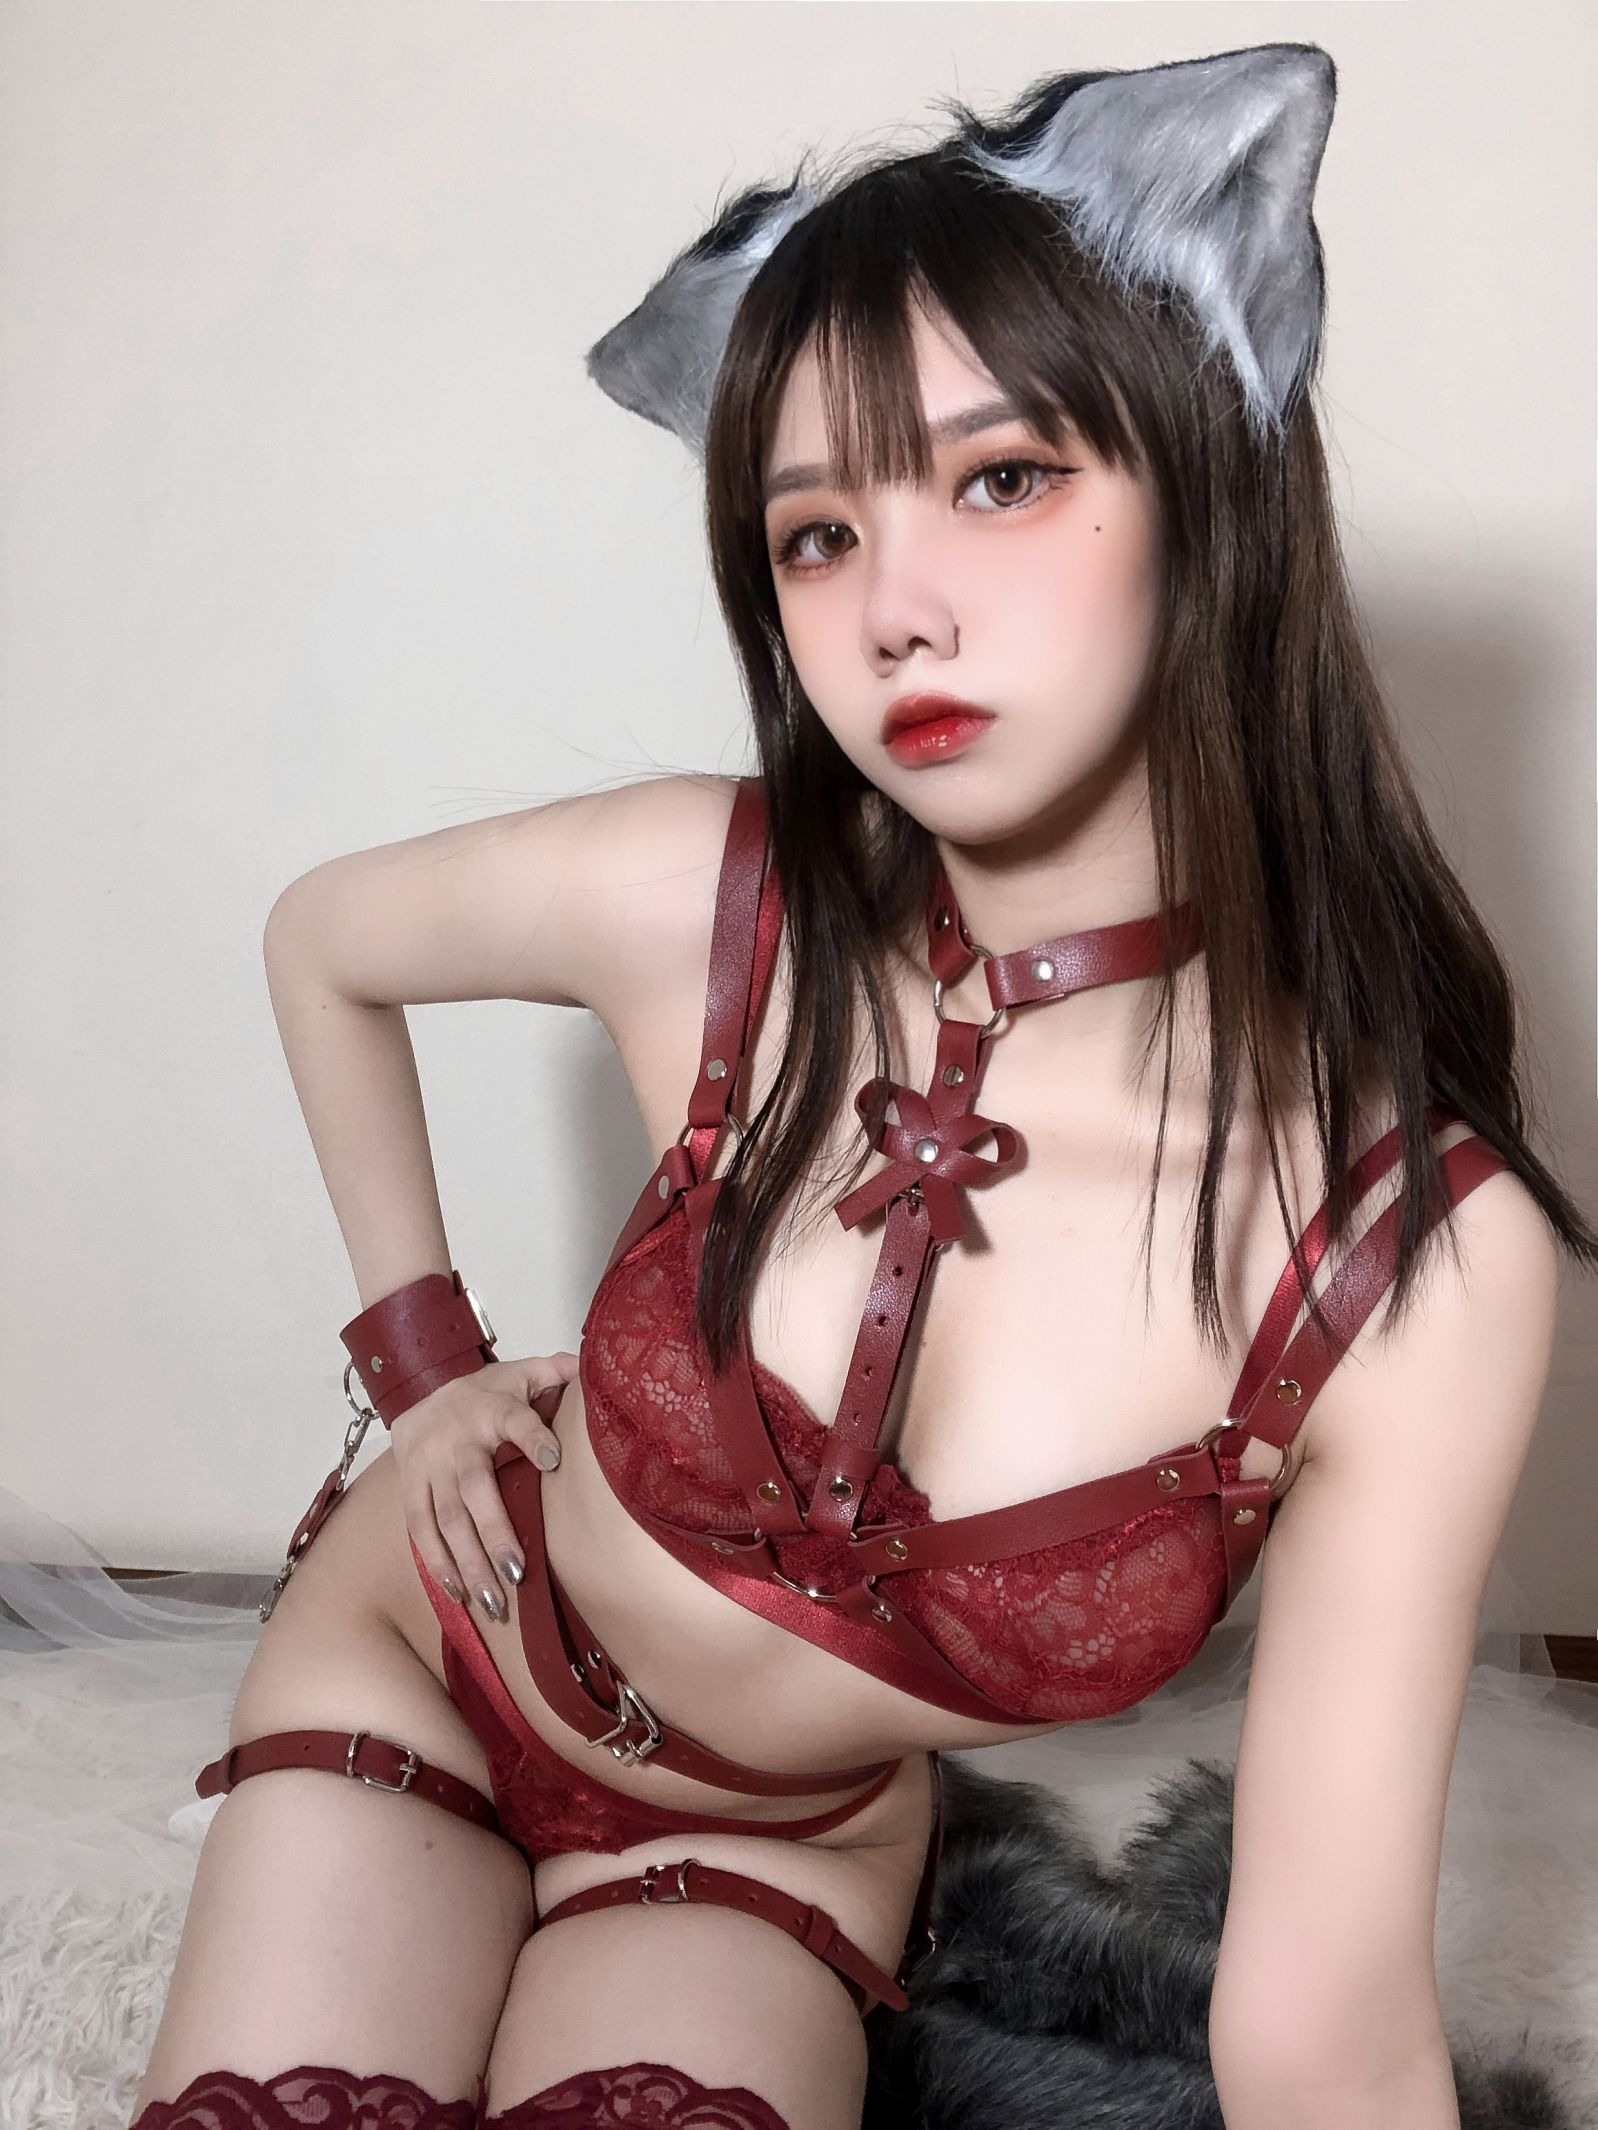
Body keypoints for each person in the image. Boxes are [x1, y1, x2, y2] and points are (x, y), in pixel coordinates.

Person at [83, 37, 1598, 2130]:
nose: (894, 609)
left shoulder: (1402, 1261)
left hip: (769, 1846)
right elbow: (320, 937)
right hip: (421, 1662)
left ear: (1208, 491)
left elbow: (1320, 2030)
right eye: (812, 532)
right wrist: (423, 1367)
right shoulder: (706, 904)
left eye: (1001, 479)